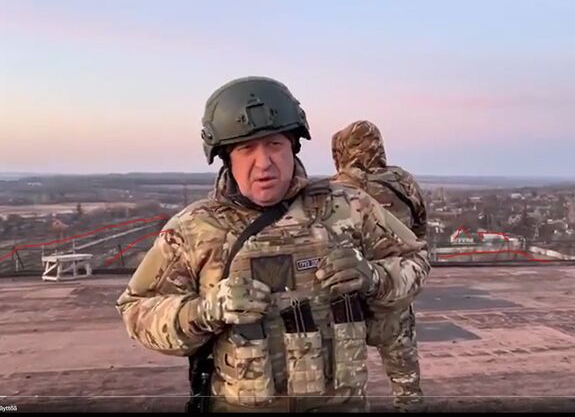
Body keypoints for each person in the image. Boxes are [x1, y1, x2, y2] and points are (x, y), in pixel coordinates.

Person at [114, 77, 430, 412]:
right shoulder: (194, 229)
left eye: (275, 144)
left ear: (293, 146)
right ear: (226, 157)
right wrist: (205, 311)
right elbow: (136, 311)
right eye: (246, 149)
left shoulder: (347, 207)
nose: (264, 162)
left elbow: (415, 260)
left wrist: (374, 277)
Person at [330, 120, 428, 412]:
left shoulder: (332, 190)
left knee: (345, 390)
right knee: (407, 386)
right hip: (394, 296)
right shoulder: (403, 182)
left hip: (349, 303)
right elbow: (419, 232)